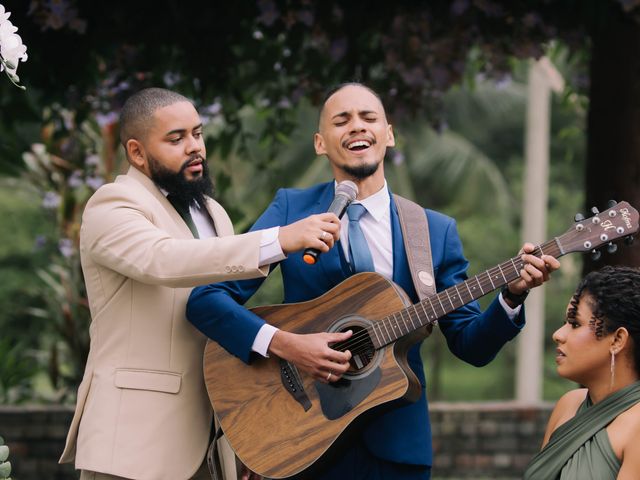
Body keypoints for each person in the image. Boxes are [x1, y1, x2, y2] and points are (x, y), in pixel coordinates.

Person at [187, 82, 560, 480]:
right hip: (301, 441)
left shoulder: (432, 230)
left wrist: (512, 296)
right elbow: (207, 300)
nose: (357, 127)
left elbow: (471, 346)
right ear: (320, 143)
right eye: (341, 120)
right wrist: (288, 345)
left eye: (369, 117)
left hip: (395, 451)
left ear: (389, 133)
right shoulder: (291, 209)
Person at [58, 87, 341, 480]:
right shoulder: (112, 205)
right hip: (134, 445)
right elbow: (163, 259)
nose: (195, 148)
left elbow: (219, 322)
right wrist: (278, 240)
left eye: (198, 133)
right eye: (176, 139)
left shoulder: (213, 213)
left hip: (210, 448)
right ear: (137, 152)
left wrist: (243, 440)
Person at [524, 266, 640, 480]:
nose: (558, 335)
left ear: (617, 340)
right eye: (564, 323)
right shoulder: (568, 405)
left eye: (575, 324)